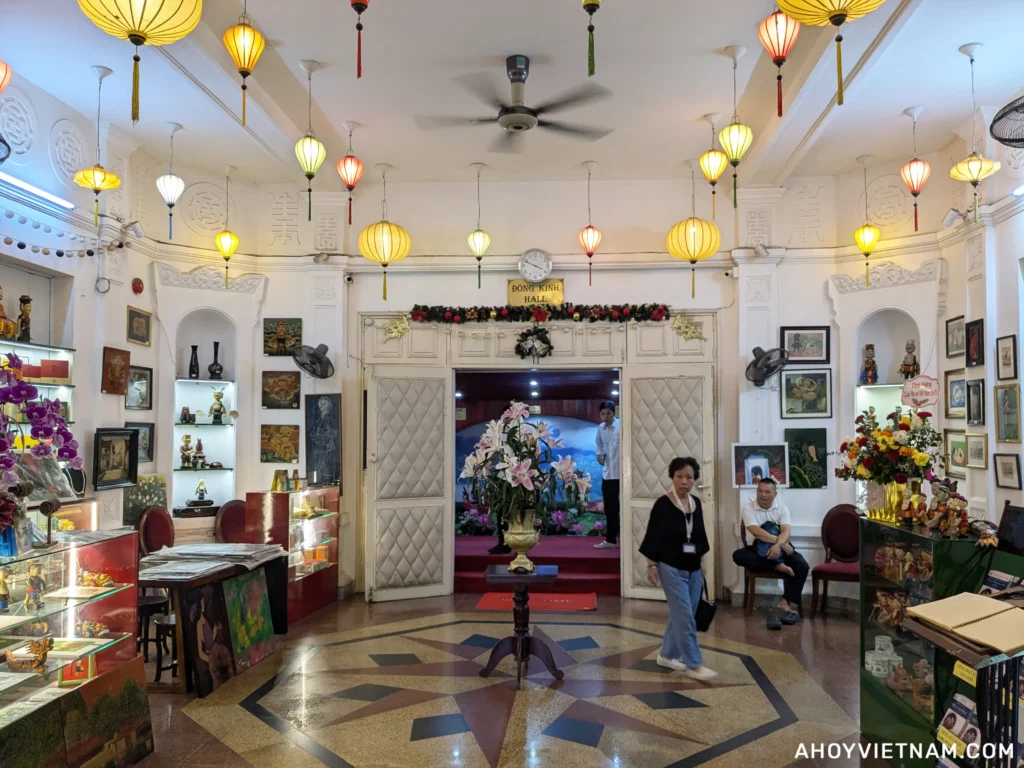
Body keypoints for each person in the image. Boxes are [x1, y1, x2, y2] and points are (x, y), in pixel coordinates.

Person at [639, 457, 717, 681]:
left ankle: (667, 654)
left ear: (695, 480)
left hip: (693, 569)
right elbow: (653, 537)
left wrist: (701, 565)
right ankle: (695, 664)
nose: (684, 481)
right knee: (685, 617)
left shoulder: (696, 504)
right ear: (672, 478)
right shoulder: (663, 505)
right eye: (679, 476)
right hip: (670, 567)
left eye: (689, 477)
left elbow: (699, 535)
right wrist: (651, 565)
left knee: (683, 613)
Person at [732, 478, 809, 630]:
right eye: (760, 491)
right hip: (757, 548)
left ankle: (786, 601)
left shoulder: (782, 508)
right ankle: (777, 565)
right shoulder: (748, 508)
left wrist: (779, 546)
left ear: (775, 493)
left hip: (782, 546)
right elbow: (756, 532)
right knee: (738, 555)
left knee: (802, 565)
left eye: (767, 492)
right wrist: (779, 543)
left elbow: (786, 530)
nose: (763, 495)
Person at [595, 400, 620, 549]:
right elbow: (599, 445)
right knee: (610, 508)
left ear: (614, 413)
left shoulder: (621, 425)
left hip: (623, 474)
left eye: (608, 413)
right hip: (608, 473)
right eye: (602, 414)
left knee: (626, 506)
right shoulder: (600, 428)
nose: (605, 417)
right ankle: (610, 540)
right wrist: (599, 455)